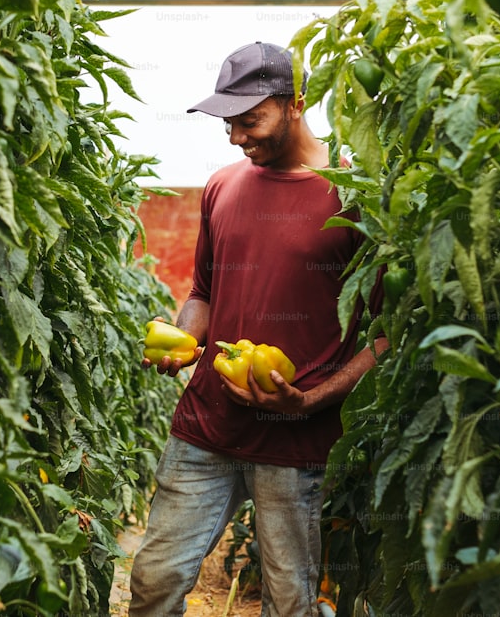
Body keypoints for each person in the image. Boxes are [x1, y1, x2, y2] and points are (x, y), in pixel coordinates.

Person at [130, 41, 387, 617]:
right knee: (154, 579)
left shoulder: (355, 195)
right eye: (229, 124)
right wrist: (185, 341)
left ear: (296, 104)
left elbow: (384, 332)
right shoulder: (223, 186)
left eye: (250, 121)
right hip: (205, 427)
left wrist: (312, 399)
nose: (236, 138)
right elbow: (203, 293)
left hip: (297, 443)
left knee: (290, 602)